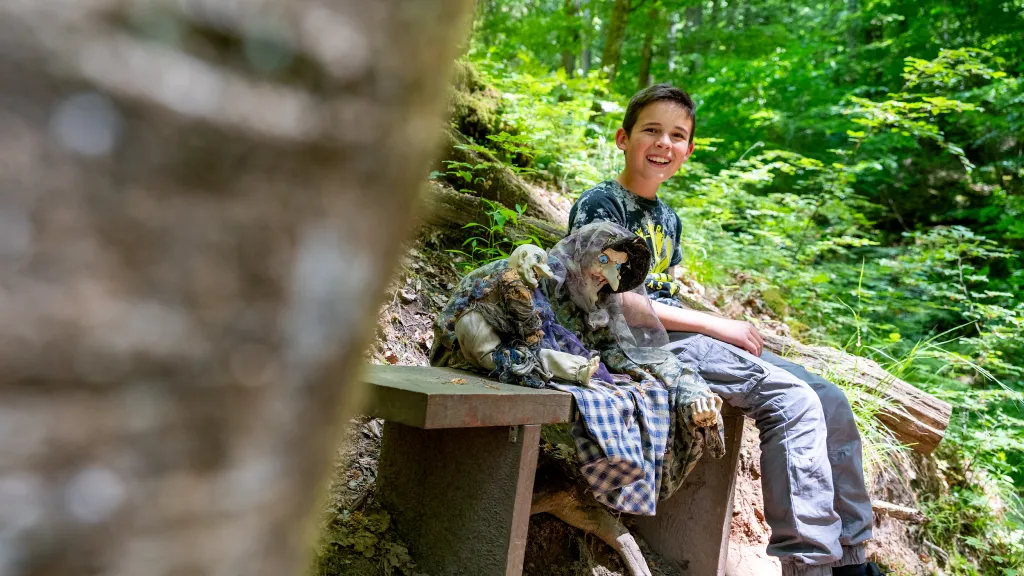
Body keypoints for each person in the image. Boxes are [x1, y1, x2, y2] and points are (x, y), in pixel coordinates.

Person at [567, 83, 881, 576]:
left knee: (830, 399)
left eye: (677, 135)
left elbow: (663, 296)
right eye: (651, 130)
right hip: (633, 345)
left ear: (688, 152)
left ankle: (853, 560)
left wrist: (715, 329)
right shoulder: (600, 206)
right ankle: (811, 566)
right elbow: (619, 300)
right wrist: (718, 324)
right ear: (622, 137)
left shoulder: (667, 218)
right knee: (793, 402)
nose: (663, 143)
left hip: (679, 337)